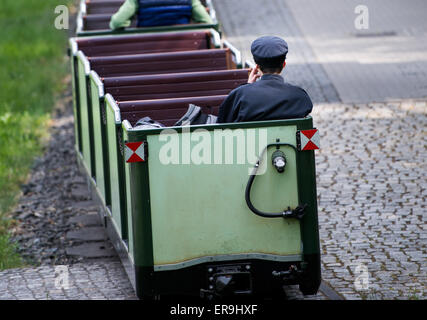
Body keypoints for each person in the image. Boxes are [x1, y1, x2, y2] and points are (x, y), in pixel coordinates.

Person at [217, 36, 313, 123]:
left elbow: (222, 123)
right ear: (283, 64)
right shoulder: (299, 96)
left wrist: (247, 87)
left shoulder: (240, 96)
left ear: (257, 66)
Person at [109, 0, 213, 30]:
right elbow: (208, 23)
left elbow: (117, 22)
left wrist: (128, 22)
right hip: (184, 51)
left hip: (147, 52)